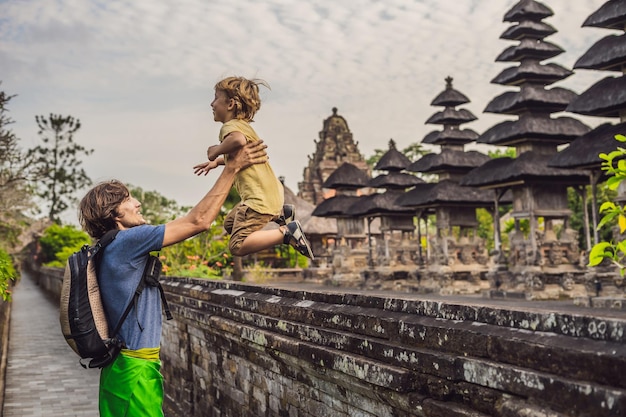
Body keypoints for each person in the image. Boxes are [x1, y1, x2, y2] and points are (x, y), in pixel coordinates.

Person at [78, 140, 267, 416]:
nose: (137, 202)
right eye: (128, 199)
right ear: (114, 213)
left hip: (120, 369)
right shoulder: (129, 240)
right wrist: (232, 169)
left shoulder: (107, 247)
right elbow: (198, 222)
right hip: (135, 373)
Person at [193, 76, 314, 259]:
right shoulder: (243, 126)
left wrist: (215, 151)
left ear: (231, 104)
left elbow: (237, 141)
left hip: (258, 199)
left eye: (216, 98)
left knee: (237, 246)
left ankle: (286, 233)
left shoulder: (230, 127)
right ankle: (282, 215)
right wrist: (217, 162)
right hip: (270, 194)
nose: (211, 103)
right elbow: (240, 153)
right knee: (230, 224)